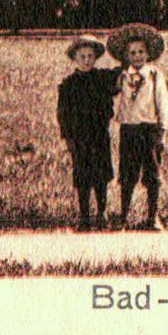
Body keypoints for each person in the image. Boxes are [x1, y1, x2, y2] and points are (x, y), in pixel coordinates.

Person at [107, 22, 168, 231]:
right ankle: (123, 216)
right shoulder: (122, 76)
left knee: (152, 174)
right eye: (132, 53)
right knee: (127, 174)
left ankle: (152, 217)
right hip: (129, 129)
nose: (137, 56)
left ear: (148, 53)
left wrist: (163, 129)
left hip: (150, 130)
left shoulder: (154, 75)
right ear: (126, 55)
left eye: (141, 52)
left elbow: (164, 103)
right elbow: (112, 92)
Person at [56, 35, 119, 231]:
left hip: (99, 134)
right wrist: (67, 137)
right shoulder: (68, 84)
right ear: (75, 58)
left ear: (96, 58)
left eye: (90, 56)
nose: (86, 60)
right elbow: (62, 113)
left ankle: (101, 214)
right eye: (82, 56)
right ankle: (84, 217)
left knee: (101, 175)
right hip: (79, 136)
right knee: (82, 175)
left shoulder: (101, 78)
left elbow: (120, 74)